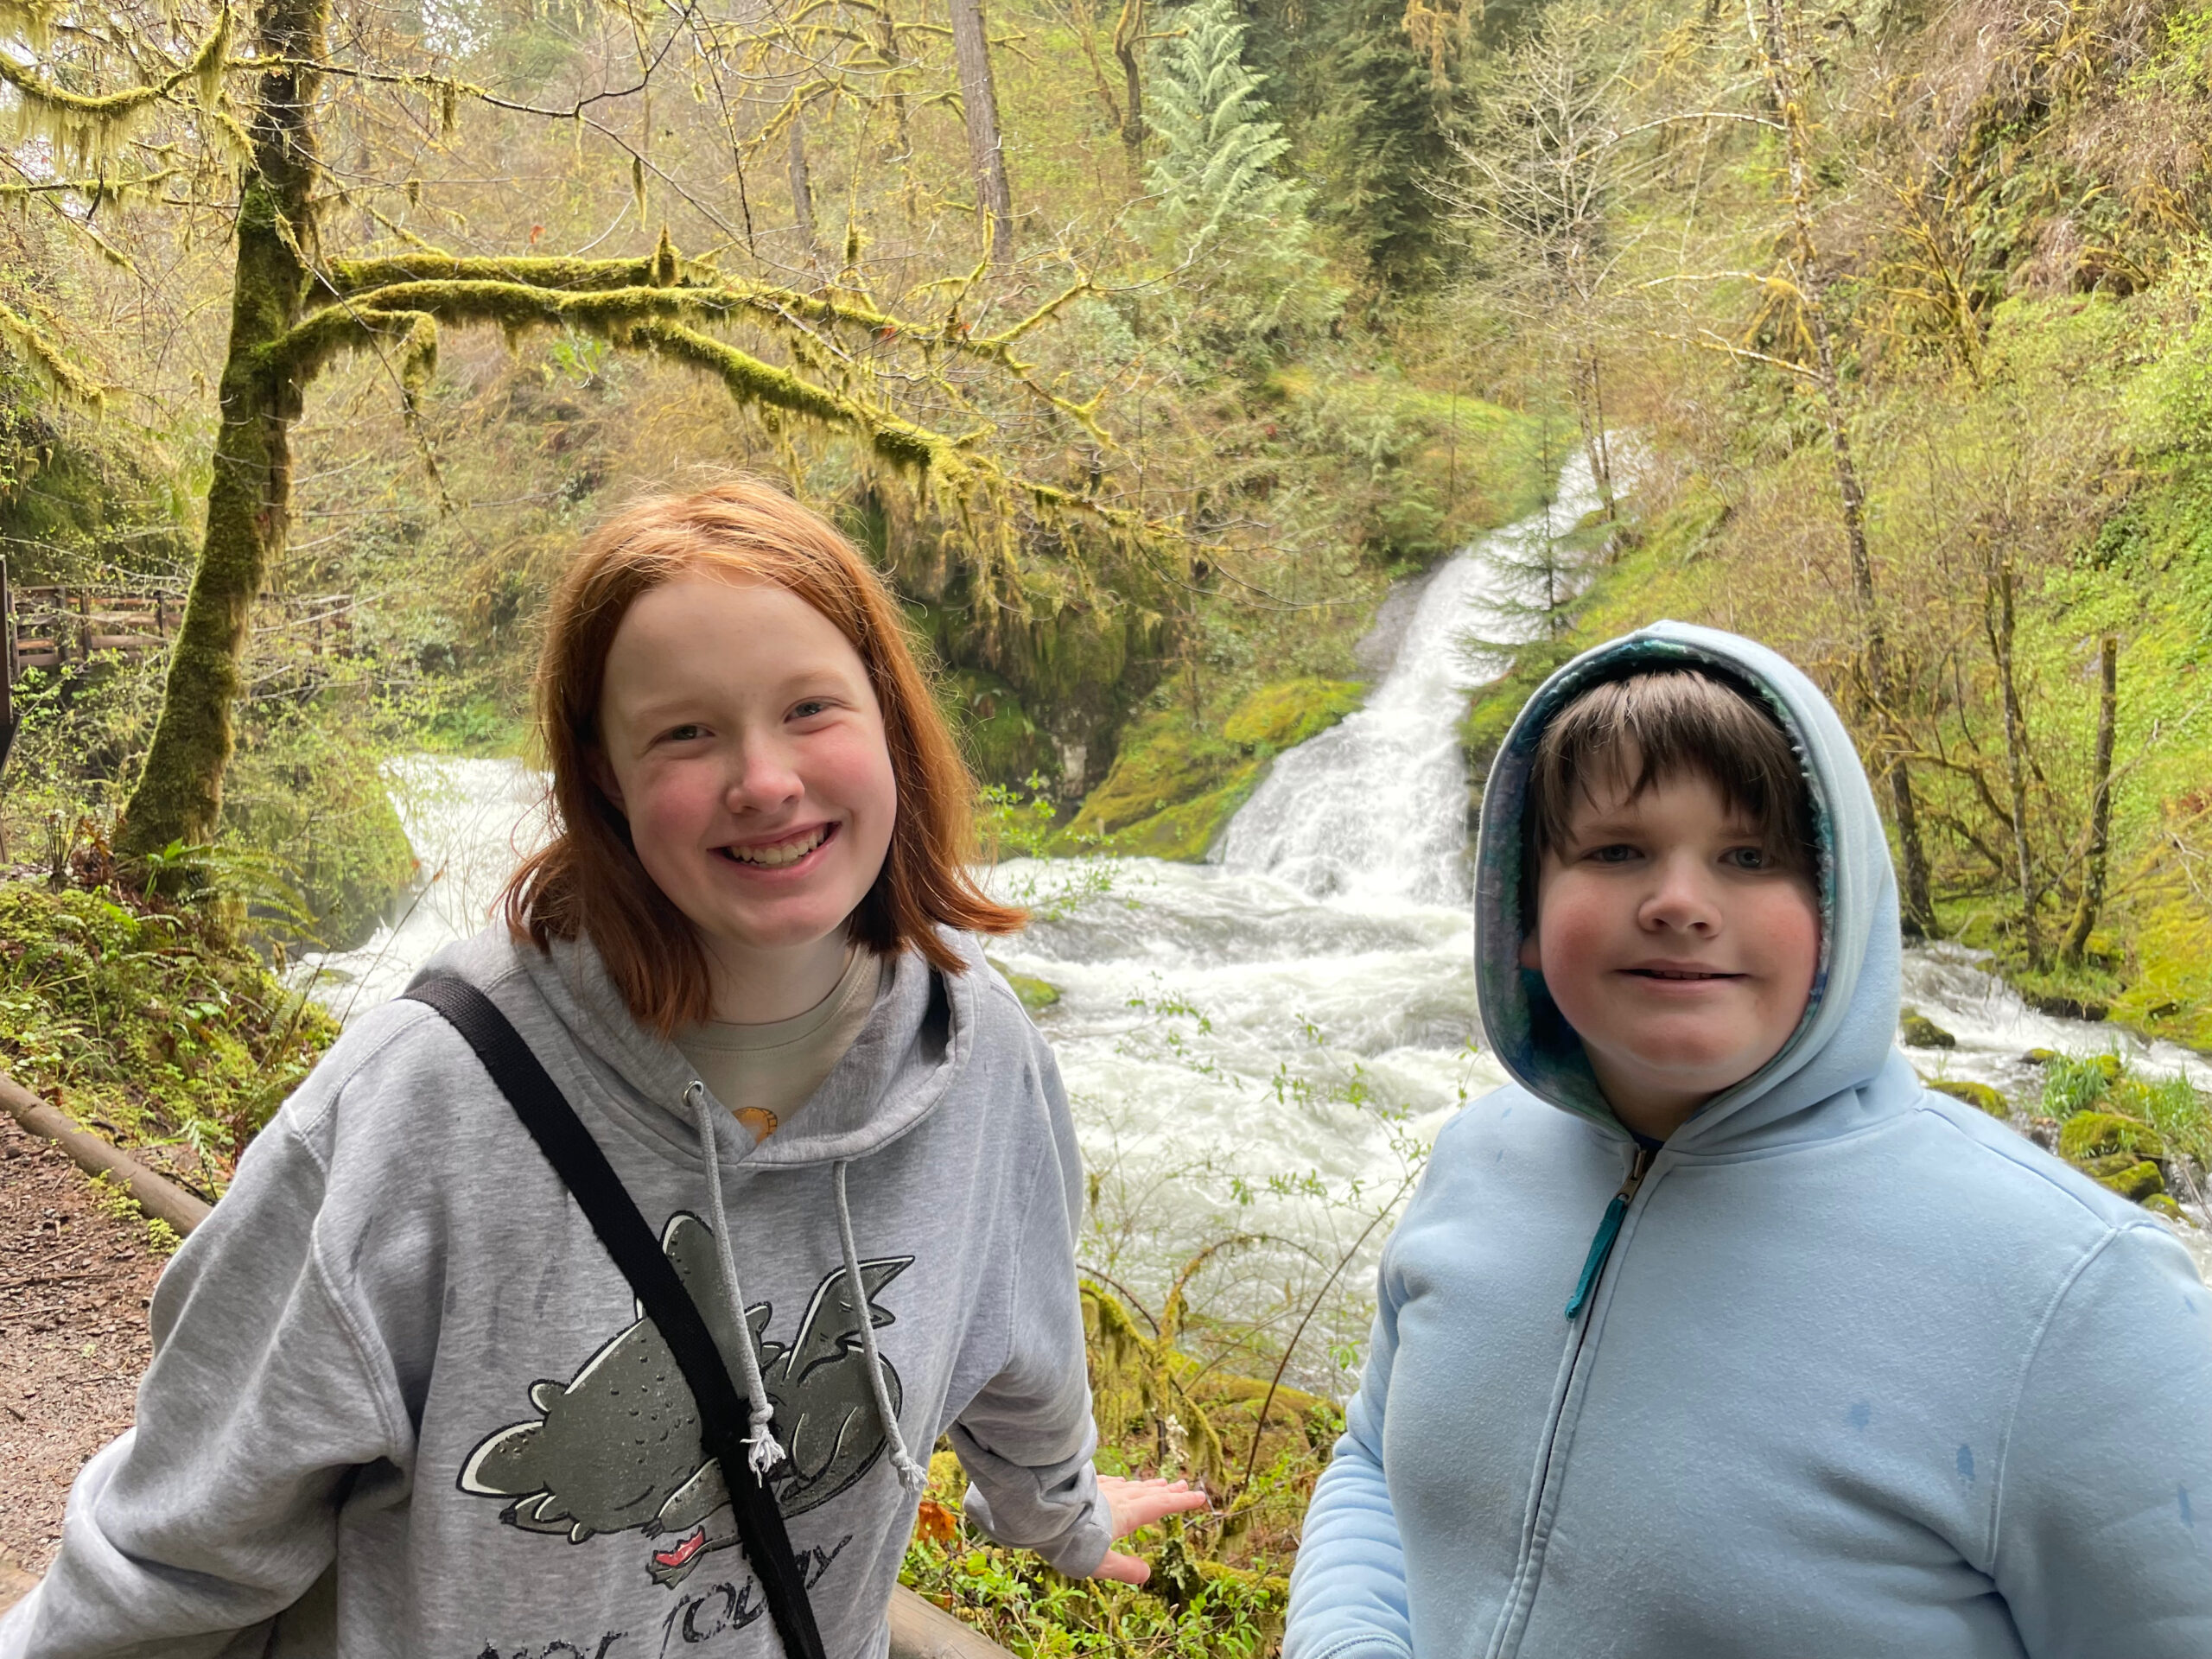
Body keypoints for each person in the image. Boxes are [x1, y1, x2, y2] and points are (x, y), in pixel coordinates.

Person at [3, 477, 1204, 1659]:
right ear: (605, 777)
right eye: (686, 732)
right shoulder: (419, 1106)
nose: (766, 780)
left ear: (890, 717)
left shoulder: (980, 1059)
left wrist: (1065, 1519)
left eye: (810, 709)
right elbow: (176, 1542)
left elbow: (1024, 1354)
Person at [1284, 621, 2212, 1658]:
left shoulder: (2079, 1296)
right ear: (1524, 917)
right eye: (1616, 850)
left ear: (1840, 913)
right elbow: (1369, 1462)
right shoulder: (1476, 1158)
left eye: (1749, 856)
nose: (1678, 902)